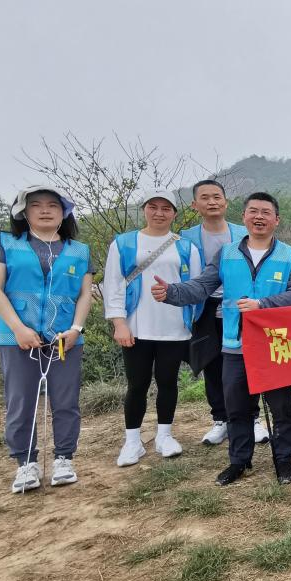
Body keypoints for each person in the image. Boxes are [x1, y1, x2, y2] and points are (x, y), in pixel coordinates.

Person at [153, 192, 291, 487]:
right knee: (236, 408)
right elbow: (202, 286)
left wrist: (263, 305)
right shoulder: (227, 253)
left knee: (282, 408)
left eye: (266, 212)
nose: (259, 217)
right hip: (235, 344)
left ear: (276, 220)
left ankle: (284, 459)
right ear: (244, 217)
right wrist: (171, 292)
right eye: (253, 211)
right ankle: (239, 461)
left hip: (275, 345)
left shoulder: (290, 255)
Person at [0, 185, 94, 493]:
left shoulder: (79, 250)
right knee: (21, 400)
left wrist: (76, 329)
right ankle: (25, 463)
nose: (45, 210)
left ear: (64, 213)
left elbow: (85, 294)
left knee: (66, 400)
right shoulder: (5, 243)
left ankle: (64, 458)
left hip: (65, 337)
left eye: (53, 205)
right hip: (17, 336)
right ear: (23, 211)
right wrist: (18, 328)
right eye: (36, 205)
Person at [103, 190, 203, 467]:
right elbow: (113, 284)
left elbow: (196, 287)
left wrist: (191, 320)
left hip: (174, 327)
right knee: (137, 384)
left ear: (174, 213)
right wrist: (119, 322)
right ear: (144, 209)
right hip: (136, 327)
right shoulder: (124, 243)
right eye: (153, 207)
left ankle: (164, 435)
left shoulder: (186, 247)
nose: (159, 213)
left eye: (166, 208)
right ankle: (132, 441)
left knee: (168, 382)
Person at [182, 180, 253, 446]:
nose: (211, 202)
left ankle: (253, 416)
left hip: (241, 305)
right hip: (205, 306)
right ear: (195, 204)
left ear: (225, 201)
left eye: (216, 197)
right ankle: (220, 419)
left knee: (247, 360)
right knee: (211, 363)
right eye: (205, 197)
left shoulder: (242, 232)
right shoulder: (186, 237)